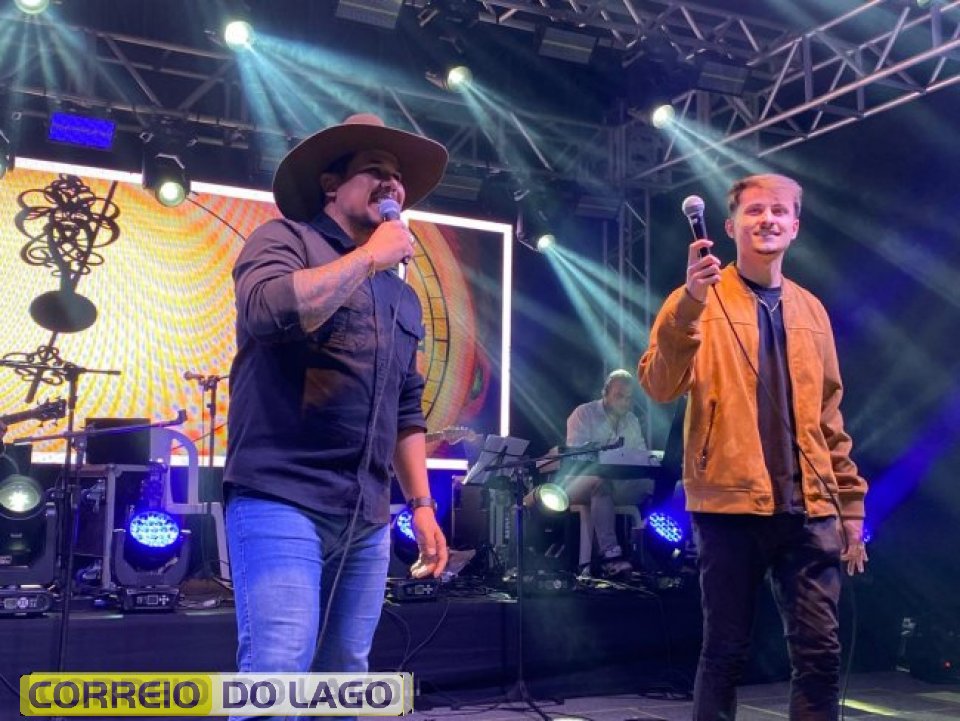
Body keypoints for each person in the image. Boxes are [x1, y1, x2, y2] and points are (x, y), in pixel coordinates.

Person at [224, 113, 449, 720]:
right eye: (375, 170)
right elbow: (268, 312)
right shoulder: (285, 240)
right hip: (281, 495)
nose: (392, 184)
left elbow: (406, 407)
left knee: (345, 678)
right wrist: (370, 257)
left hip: (366, 515)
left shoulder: (402, 298)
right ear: (331, 183)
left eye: (398, 177)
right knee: (277, 674)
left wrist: (421, 506)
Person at [638, 173, 868, 720]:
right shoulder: (693, 300)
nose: (768, 219)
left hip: (809, 507)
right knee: (724, 652)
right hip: (728, 506)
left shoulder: (812, 310)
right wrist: (690, 304)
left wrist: (850, 503)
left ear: (795, 226)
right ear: (729, 226)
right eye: (755, 210)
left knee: (820, 655)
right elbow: (659, 385)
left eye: (779, 211)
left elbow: (829, 416)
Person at [562, 369, 654, 576]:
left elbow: (639, 457)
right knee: (599, 481)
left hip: (617, 484)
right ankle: (610, 555)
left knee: (664, 486)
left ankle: (658, 550)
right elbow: (576, 456)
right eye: (619, 396)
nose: (625, 403)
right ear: (605, 393)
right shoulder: (583, 414)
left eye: (629, 398)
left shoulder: (631, 420)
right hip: (578, 482)